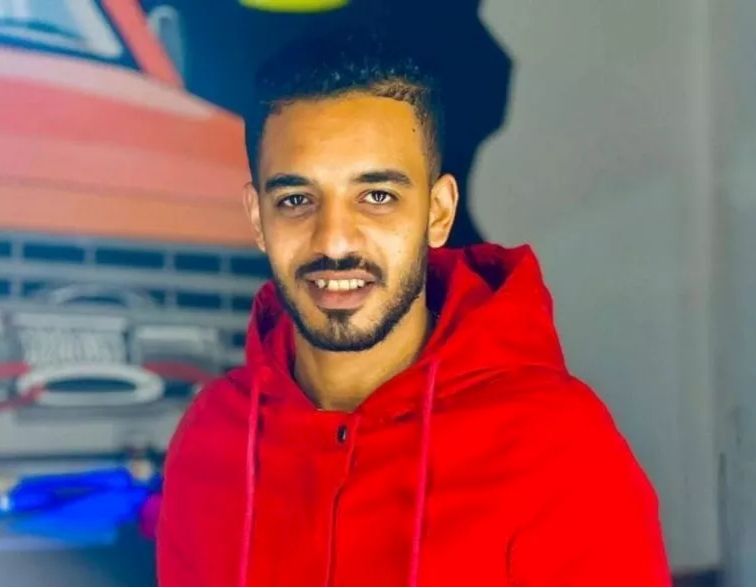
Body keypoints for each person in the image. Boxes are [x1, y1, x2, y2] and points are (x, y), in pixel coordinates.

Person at [156, 27, 672, 587]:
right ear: (259, 218)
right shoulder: (212, 438)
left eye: (377, 197)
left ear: (438, 212)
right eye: (297, 199)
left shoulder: (559, 447)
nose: (334, 240)